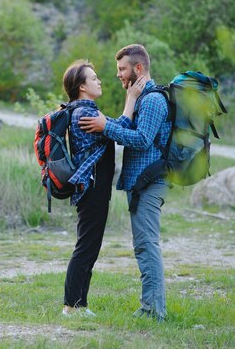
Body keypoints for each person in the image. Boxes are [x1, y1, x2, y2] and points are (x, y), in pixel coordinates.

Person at [79, 44, 172, 322]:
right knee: (143, 245)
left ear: (138, 69)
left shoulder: (154, 101)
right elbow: (127, 131)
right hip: (140, 183)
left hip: (150, 183)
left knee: (147, 244)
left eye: (122, 69)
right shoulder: (141, 99)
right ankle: (150, 307)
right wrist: (116, 116)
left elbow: (142, 139)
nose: (118, 74)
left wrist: (104, 126)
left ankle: (154, 311)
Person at [61, 59, 144, 317]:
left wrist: (128, 103)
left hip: (94, 186)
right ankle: (71, 305)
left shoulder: (86, 109)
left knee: (90, 245)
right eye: (94, 78)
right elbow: (120, 129)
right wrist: (131, 99)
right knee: (86, 246)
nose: (99, 81)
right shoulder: (84, 113)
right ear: (82, 86)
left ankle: (78, 304)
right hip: (92, 187)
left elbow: (116, 128)